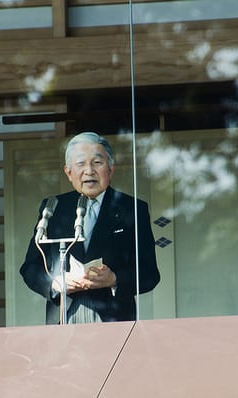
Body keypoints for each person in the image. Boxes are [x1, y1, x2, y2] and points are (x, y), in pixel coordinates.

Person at [20, 131, 160, 324]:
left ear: (111, 169)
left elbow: (150, 273)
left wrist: (114, 279)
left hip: (114, 319)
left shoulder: (133, 208)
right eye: (80, 164)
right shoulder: (53, 208)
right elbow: (29, 268)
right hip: (64, 318)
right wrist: (55, 283)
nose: (89, 171)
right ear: (68, 173)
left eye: (97, 162)